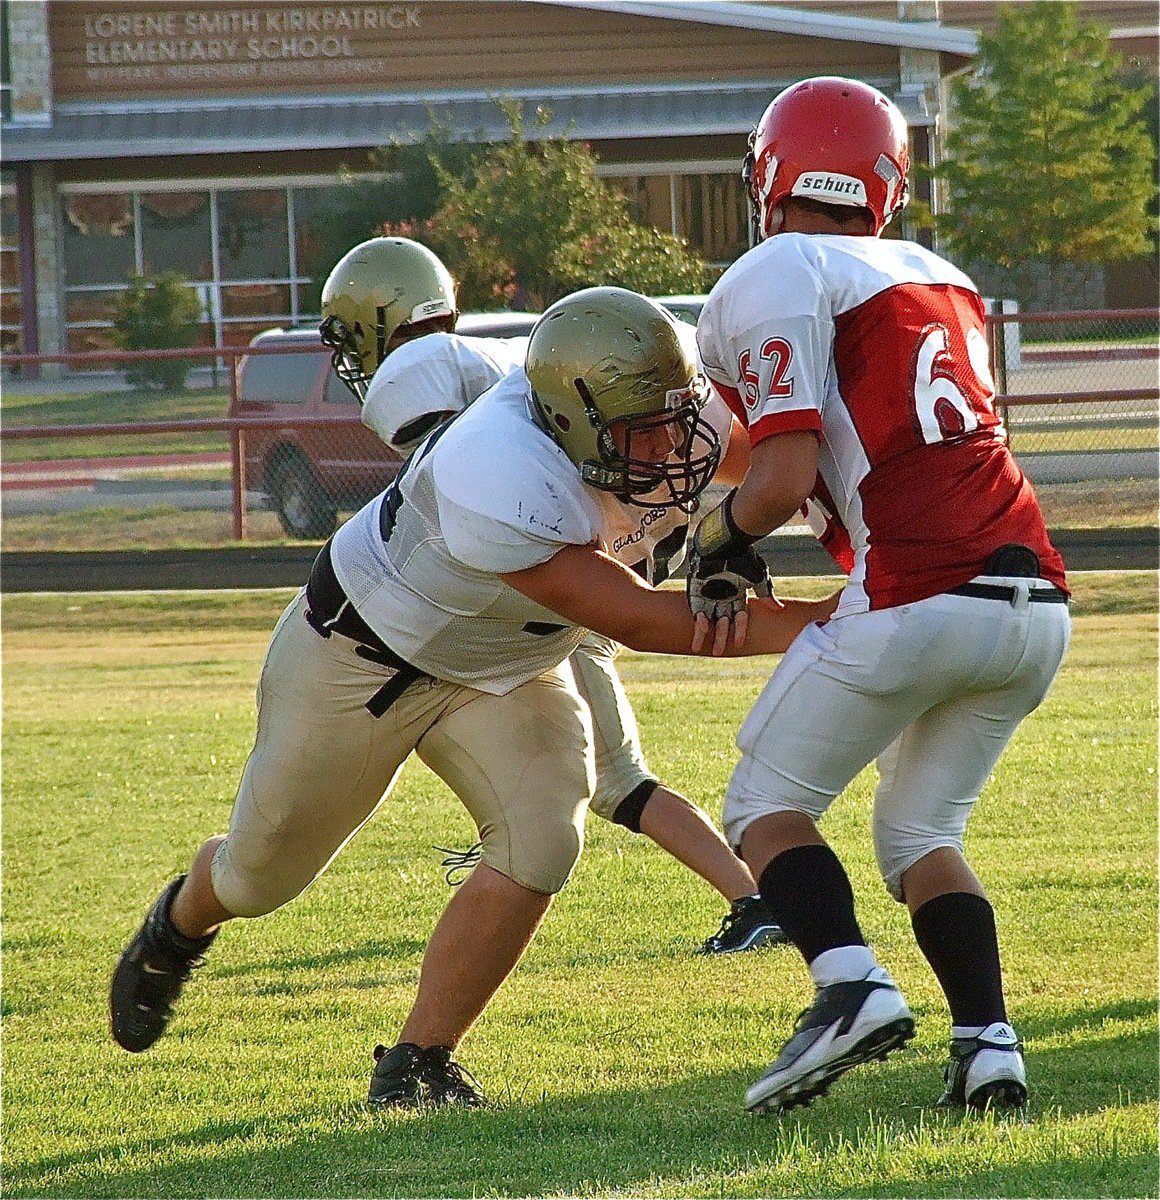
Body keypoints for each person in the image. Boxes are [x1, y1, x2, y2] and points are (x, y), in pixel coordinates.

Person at [110, 285, 837, 1109]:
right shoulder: (498, 467)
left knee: (542, 837)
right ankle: (179, 924)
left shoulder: (683, 418)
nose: (673, 444)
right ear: (569, 420)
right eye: (644, 428)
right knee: (258, 879)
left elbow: (785, 475)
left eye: (679, 415)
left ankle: (418, 1062)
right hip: (365, 655)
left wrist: (764, 536)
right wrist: (831, 618)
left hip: (512, 661)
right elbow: (640, 618)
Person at [684, 76, 1071, 1115]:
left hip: (913, 590)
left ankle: (848, 985)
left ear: (767, 175)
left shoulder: (776, 264)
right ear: (886, 186)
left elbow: (772, 476)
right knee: (918, 833)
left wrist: (713, 539)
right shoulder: (939, 274)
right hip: (1031, 604)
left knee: (764, 805)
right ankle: (988, 1045)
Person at [319, 235, 784, 956]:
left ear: (375, 322)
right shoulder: (507, 350)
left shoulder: (420, 371)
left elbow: (467, 516)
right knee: (602, 778)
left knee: (619, 780)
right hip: (569, 579)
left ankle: (756, 899)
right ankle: (745, 894)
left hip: (558, 594)